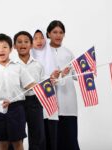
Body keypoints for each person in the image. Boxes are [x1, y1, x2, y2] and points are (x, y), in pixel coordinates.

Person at [0, 33, 35, 150]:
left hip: (16, 109)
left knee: (18, 142)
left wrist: (47, 83)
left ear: (11, 49)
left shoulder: (18, 67)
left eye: (4, 47)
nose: (1, 50)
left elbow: (31, 85)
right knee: (3, 143)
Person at [46, 20, 80, 150]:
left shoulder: (68, 52)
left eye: (61, 32)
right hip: (50, 97)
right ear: (48, 33)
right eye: (54, 32)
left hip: (68, 96)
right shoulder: (43, 52)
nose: (58, 35)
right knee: (52, 131)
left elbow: (77, 74)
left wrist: (86, 72)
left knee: (69, 131)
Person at [14, 31, 45, 150]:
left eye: (26, 42)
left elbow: (43, 83)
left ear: (31, 45)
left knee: (37, 134)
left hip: (35, 101)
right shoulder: (12, 65)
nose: (23, 44)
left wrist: (50, 81)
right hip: (17, 103)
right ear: (14, 46)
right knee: (16, 135)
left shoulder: (38, 65)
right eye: (19, 42)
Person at [31, 29, 59, 150]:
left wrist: (55, 78)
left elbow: (59, 79)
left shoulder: (52, 56)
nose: (39, 41)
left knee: (51, 133)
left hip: (49, 98)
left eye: (41, 37)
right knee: (37, 135)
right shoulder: (28, 58)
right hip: (34, 101)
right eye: (35, 38)